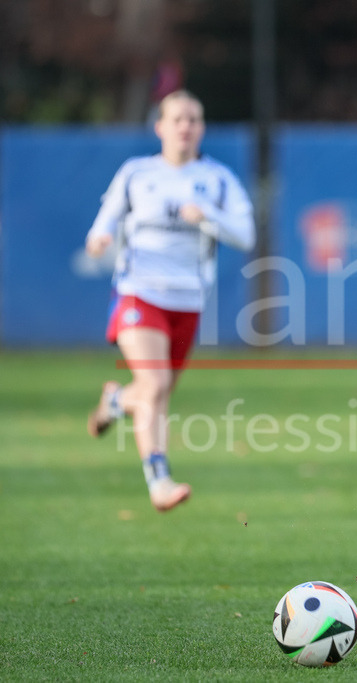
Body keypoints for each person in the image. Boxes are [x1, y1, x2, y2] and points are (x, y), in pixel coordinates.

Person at [85, 89, 255, 512]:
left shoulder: (218, 179)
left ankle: (113, 401)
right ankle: (159, 480)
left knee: (153, 392)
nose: (185, 127)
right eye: (177, 119)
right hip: (139, 292)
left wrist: (209, 216)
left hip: (188, 301)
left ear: (201, 129)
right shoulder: (136, 173)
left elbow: (246, 235)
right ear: (160, 127)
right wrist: (99, 238)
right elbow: (102, 224)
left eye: (193, 119)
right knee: (155, 385)